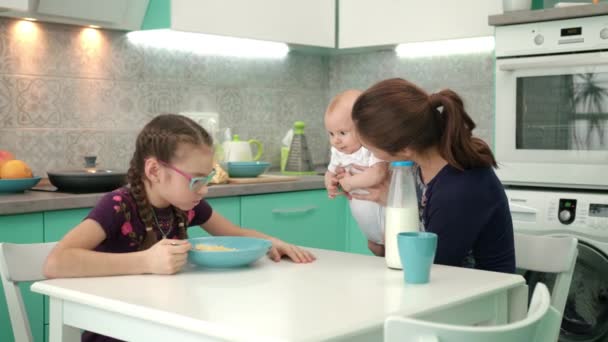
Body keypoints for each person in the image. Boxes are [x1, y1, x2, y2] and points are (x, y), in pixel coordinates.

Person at [44, 114, 315, 342]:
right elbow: (56, 263)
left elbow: (235, 234)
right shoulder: (118, 206)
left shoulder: (185, 204)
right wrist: (145, 261)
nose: (204, 189)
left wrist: (271, 242)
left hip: (165, 329)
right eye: (196, 180)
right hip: (115, 333)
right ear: (154, 171)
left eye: (207, 178)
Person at [349, 78, 515, 273]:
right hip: (442, 285)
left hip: (482, 296)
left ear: (405, 148)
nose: (370, 155)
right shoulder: (417, 168)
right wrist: (392, 203)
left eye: (370, 149)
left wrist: (393, 211)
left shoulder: (459, 189)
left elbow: (426, 268)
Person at [324, 90, 388, 245]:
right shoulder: (339, 152)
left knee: (389, 249)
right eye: (331, 134)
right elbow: (329, 172)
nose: (336, 141)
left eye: (342, 133)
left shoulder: (371, 148)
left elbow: (378, 174)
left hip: (386, 220)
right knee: (374, 246)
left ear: (365, 128)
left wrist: (350, 183)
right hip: (368, 228)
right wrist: (330, 183)